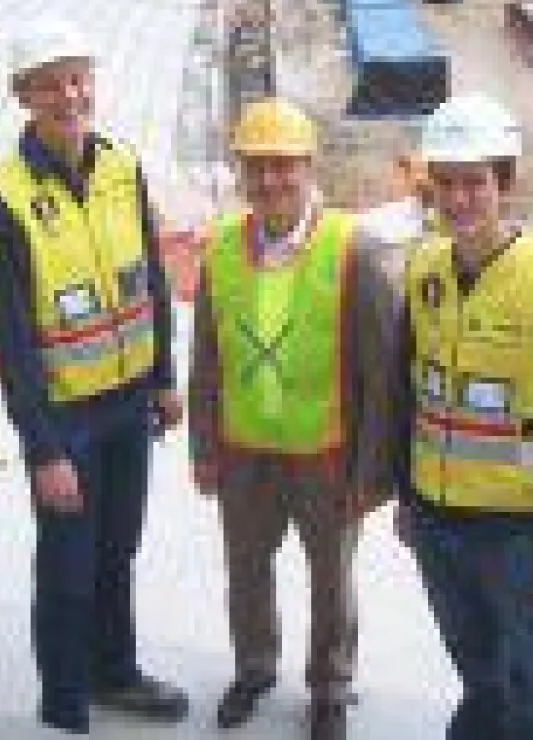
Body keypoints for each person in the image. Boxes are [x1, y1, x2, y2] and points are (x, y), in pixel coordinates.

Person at [0, 17, 187, 734]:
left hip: (128, 403)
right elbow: (12, 337)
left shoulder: (122, 164)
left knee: (117, 549)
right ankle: (64, 706)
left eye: (77, 77)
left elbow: (150, 277)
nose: (69, 94)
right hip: (66, 418)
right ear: (23, 96)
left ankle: (114, 672)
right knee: (67, 566)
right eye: (49, 83)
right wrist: (42, 447)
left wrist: (162, 375)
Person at [392, 92, 533, 740]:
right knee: (475, 662)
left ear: (503, 183)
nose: (456, 200)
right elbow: (409, 390)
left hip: (514, 530)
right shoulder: (423, 263)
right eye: (444, 184)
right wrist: (407, 494)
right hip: (434, 516)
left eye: (473, 183)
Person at [188, 97, 397, 740]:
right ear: (241, 173)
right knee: (246, 571)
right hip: (245, 450)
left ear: (308, 167)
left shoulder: (354, 251)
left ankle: (329, 685)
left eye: (284, 166)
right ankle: (254, 668)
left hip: (325, 454)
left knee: (331, 580)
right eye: (258, 167)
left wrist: (373, 473)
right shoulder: (221, 250)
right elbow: (206, 357)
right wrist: (203, 445)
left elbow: (382, 376)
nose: (271, 181)